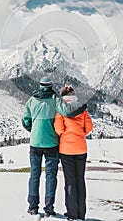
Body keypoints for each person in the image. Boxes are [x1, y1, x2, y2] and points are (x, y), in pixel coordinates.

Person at [22, 77, 86, 218]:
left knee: (34, 175)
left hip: (35, 143)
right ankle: (48, 208)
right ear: (51, 86)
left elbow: (25, 120)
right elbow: (67, 111)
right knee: (50, 176)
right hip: (51, 143)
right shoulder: (55, 99)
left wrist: (34, 131)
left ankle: (32, 207)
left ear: (39, 85)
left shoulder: (31, 100)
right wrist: (81, 106)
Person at [54, 85, 93, 221]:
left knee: (70, 181)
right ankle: (81, 214)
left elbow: (58, 129)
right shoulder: (82, 108)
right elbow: (89, 127)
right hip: (81, 148)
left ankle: (72, 213)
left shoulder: (61, 110)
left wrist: (66, 135)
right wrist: (80, 134)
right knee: (80, 180)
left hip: (66, 150)